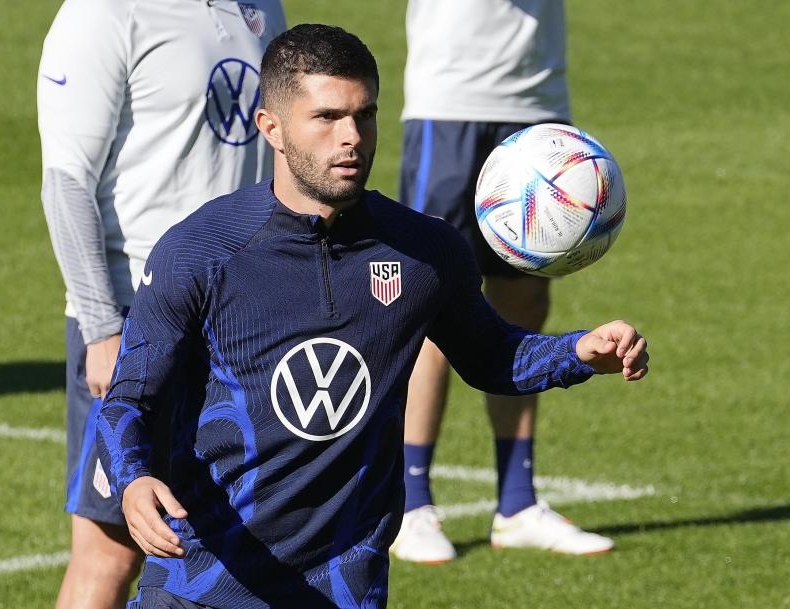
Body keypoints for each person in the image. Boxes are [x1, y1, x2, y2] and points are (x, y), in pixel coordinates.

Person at [95, 24, 648, 609]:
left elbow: (491, 357)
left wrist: (578, 352)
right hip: (203, 588)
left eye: (365, 115)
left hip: (343, 592)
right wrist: (132, 482)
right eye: (328, 118)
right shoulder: (201, 252)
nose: (352, 138)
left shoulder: (424, 251)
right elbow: (130, 397)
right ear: (271, 127)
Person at [37, 1, 286, 607]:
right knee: (113, 547)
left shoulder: (260, 5)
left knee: (243, 536)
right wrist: (101, 330)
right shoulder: (104, 13)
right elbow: (66, 179)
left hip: (242, 317)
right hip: (138, 320)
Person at [390, 0, 607, 564]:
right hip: (452, 96)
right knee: (430, 299)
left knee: (525, 299)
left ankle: (517, 502)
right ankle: (411, 504)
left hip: (539, 100)